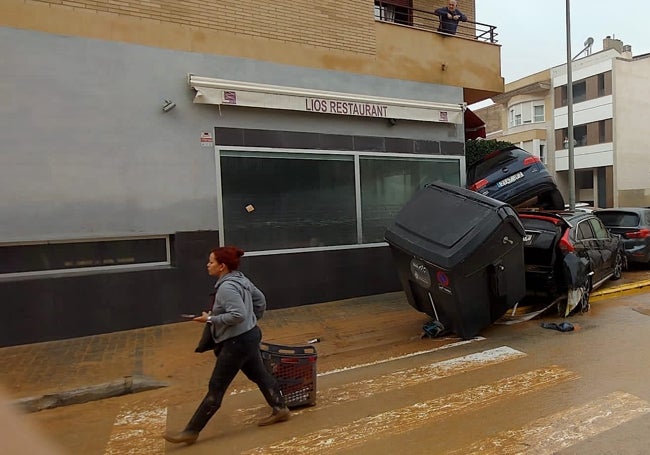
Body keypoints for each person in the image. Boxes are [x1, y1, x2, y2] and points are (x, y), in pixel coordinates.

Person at [163, 246, 290, 445]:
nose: (208, 265)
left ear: (222, 266)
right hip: (250, 336)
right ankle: (280, 408)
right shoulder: (241, 278)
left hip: (237, 343)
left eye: (211, 262)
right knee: (260, 374)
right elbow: (260, 300)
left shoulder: (227, 288)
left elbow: (237, 315)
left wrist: (210, 318)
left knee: (216, 388)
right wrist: (253, 320)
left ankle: (190, 431)